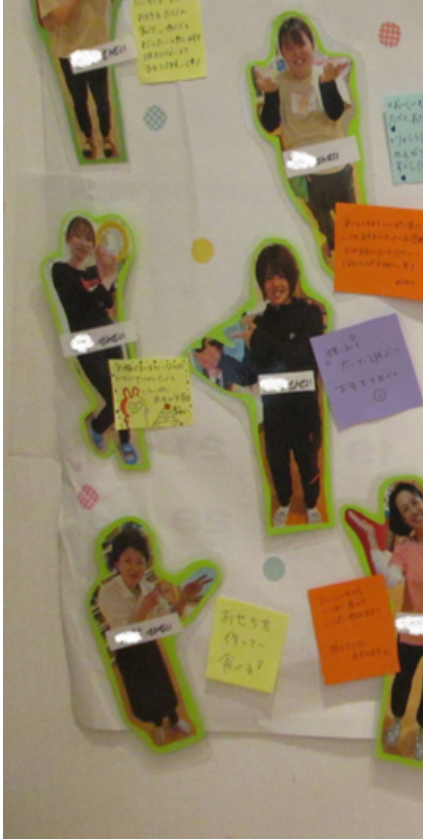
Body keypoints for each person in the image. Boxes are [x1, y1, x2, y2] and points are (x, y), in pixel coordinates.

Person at [347, 481, 423, 763]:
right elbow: (390, 580)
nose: (413, 510)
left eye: (414, 502)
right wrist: (371, 539)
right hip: (413, 627)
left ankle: (422, 733)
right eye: (405, 509)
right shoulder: (404, 549)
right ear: (402, 518)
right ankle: (396, 721)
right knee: (402, 681)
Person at [252, 17, 359, 263]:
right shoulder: (278, 82)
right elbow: (271, 125)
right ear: (281, 53)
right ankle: (335, 251)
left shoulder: (327, 73)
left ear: (312, 44)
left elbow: (335, 113)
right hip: (304, 169)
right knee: (322, 220)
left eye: (301, 45)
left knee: (351, 220)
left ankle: (355, 261)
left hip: (336, 164)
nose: (297, 53)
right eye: (289, 48)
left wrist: (328, 84)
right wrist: (270, 95)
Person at [93, 522, 211, 746]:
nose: (134, 567)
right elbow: (123, 635)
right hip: (128, 653)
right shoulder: (107, 592)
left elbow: (170, 619)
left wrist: (184, 597)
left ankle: (174, 719)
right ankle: (157, 725)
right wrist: (144, 609)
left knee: (163, 686)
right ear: (116, 563)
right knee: (143, 694)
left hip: (149, 647)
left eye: (140, 561)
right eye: (128, 561)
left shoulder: (147, 587)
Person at [35, 0, 140, 161]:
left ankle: (106, 137)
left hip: (96, 49)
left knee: (102, 101)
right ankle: (86, 139)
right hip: (69, 53)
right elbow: (63, 16)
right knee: (79, 101)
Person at [243, 243, 326, 528]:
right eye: (268, 278)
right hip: (274, 412)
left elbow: (306, 358)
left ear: (291, 277)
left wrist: (261, 341)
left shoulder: (310, 314)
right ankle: (285, 502)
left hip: (305, 411)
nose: (275, 284)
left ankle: (312, 503)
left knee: (308, 462)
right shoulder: (259, 322)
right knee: (277, 462)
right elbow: (259, 368)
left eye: (280, 275)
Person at [50, 216, 139, 467]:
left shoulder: (92, 272)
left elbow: (107, 302)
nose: (84, 242)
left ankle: (125, 440)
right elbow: (83, 305)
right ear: (68, 239)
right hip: (83, 341)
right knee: (113, 396)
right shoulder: (60, 271)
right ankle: (98, 427)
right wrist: (107, 279)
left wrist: (106, 273)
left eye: (89, 238)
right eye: (78, 235)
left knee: (125, 391)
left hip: (109, 335)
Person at [192, 337, 256, 393]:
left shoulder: (233, 371)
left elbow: (260, 385)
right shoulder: (197, 381)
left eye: (211, 353)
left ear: (221, 351)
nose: (207, 357)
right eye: (204, 353)